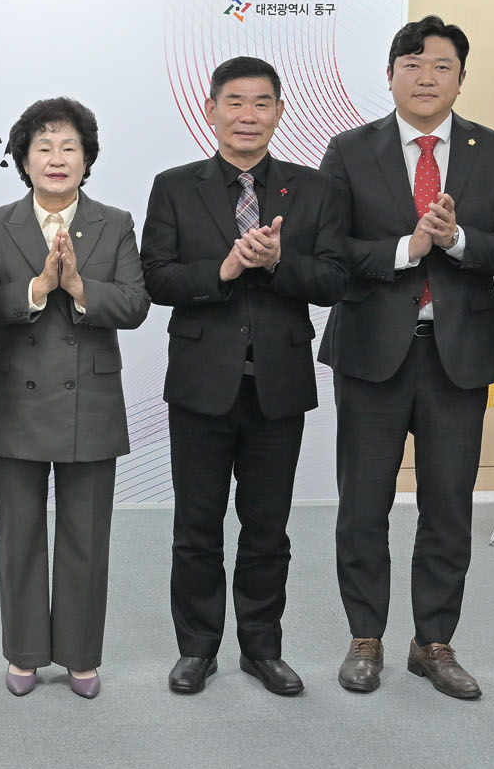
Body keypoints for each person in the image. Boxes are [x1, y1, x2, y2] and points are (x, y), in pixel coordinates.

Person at [316, 15, 494, 700]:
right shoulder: (350, 150)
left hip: (456, 357)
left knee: (447, 506)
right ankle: (365, 637)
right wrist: (405, 249)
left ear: (461, 79)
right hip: (371, 352)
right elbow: (328, 249)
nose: (426, 77)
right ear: (389, 75)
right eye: (411, 64)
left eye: (442, 65)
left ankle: (433, 642)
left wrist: (458, 240)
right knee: (363, 505)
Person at [142, 57, 348, 699]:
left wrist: (281, 261)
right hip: (201, 384)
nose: (247, 116)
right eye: (234, 102)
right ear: (210, 110)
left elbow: (334, 279)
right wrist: (225, 269)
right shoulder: (175, 186)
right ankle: (197, 649)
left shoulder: (312, 188)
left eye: (262, 103)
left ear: (280, 112)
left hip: (277, 384)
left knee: (267, 528)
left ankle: (262, 648)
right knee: (196, 526)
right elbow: (156, 279)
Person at [0, 97, 149, 700]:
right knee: (19, 536)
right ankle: (24, 653)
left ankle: (79, 655)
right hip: (15, 401)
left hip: (89, 403)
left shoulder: (115, 222)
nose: (56, 158)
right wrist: (36, 288)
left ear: (86, 159)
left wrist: (76, 286)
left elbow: (136, 304)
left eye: (69, 147)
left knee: (85, 538)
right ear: (23, 160)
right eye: (43, 147)